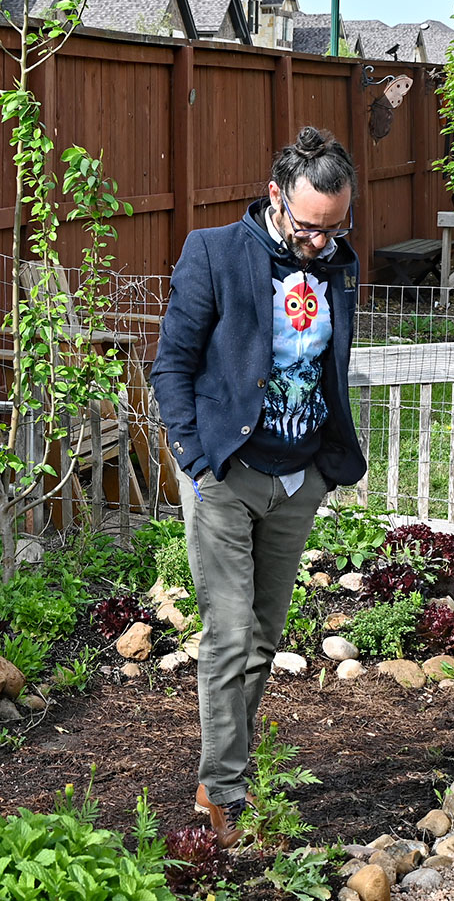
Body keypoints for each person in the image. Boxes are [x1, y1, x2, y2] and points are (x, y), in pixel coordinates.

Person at [151, 126, 367, 848]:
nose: (321, 242)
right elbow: (171, 365)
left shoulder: (339, 262)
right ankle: (226, 792)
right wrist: (193, 457)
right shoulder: (214, 252)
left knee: (265, 636)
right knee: (230, 632)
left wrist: (323, 466)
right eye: (310, 227)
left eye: (335, 228)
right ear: (277, 197)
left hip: (299, 476)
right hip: (227, 474)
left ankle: (223, 777)